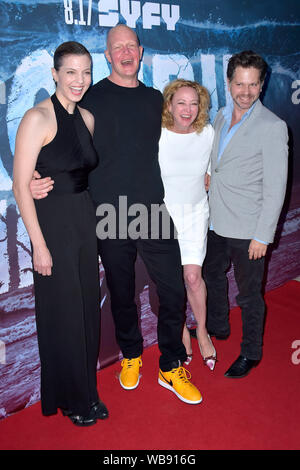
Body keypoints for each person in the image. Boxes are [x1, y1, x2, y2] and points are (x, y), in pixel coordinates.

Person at [30, 25, 202, 405]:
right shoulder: (88, 98)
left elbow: (187, 134)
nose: (125, 52)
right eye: (116, 47)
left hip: (153, 209)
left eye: (131, 46)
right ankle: (132, 354)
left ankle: (170, 365)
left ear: (140, 53)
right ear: (107, 55)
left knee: (173, 290)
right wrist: (32, 179)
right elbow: (58, 144)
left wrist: (205, 169)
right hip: (108, 212)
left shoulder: (157, 99)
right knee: (122, 294)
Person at [13, 42, 108, 426]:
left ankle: (87, 391)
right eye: (71, 72)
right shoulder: (36, 118)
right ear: (54, 74)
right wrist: (39, 244)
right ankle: (72, 400)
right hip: (52, 226)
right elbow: (21, 186)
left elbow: (79, 173)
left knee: (87, 310)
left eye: (86, 72)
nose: (79, 80)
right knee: (64, 313)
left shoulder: (87, 119)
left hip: (84, 221)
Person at [203, 50, 288, 378]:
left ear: (262, 84)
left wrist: (263, 235)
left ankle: (251, 352)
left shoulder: (273, 126)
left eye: (253, 84)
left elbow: (276, 187)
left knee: (249, 295)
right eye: (240, 83)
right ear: (229, 82)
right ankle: (219, 326)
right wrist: (210, 171)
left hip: (248, 229)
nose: (246, 91)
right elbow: (218, 157)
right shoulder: (222, 115)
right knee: (212, 275)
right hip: (216, 221)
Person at [158, 79, 216, 370]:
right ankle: (181, 331)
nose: (188, 109)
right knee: (171, 282)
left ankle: (202, 330)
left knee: (193, 277)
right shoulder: (157, 136)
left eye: (194, 103)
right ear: (169, 105)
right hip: (163, 217)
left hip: (195, 213)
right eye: (181, 102)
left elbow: (210, 171)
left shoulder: (207, 133)